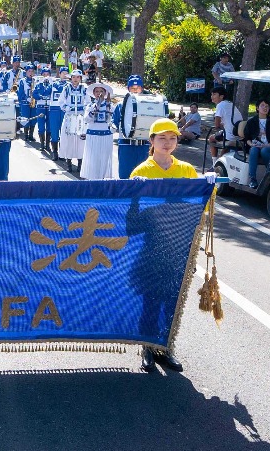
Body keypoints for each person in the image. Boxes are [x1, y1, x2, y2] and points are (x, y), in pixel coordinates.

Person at [129, 118, 204, 373]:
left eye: (172, 138)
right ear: (151, 141)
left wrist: (209, 183)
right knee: (151, 299)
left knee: (172, 301)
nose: (167, 143)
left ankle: (166, 347)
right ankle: (148, 348)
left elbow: (200, 204)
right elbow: (132, 219)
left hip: (178, 248)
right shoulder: (141, 172)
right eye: (162, 138)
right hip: (152, 246)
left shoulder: (186, 170)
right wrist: (136, 193)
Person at [113, 75, 151, 179]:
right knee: (125, 175)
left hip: (143, 145)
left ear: (142, 89)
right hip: (126, 144)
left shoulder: (147, 104)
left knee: (144, 176)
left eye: (138, 88)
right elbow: (114, 122)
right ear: (128, 88)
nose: (135, 90)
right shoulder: (121, 105)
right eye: (132, 88)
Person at [80, 82, 115, 180]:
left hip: (106, 136)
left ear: (105, 93)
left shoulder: (110, 106)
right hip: (93, 135)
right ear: (93, 93)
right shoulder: (90, 106)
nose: (99, 93)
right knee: (93, 159)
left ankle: (102, 179)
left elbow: (113, 120)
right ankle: (92, 180)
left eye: (101, 91)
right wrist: (94, 110)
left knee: (104, 158)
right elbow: (86, 119)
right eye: (96, 91)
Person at [243, 99, 270, 189]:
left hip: (268, 146)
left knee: (265, 151)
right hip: (255, 145)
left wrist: (266, 145)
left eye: (267, 106)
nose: (265, 108)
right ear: (257, 108)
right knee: (254, 150)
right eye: (262, 106)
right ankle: (252, 179)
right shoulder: (251, 121)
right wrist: (252, 144)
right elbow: (247, 138)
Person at [58, 70, 86, 173]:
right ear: (71, 78)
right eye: (74, 77)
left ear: (80, 78)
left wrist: (83, 109)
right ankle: (69, 163)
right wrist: (67, 108)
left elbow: (87, 102)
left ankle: (80, 163)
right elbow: (61, 102)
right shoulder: (66, 88)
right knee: (69, 139)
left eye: (78, 77)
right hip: (69, 117)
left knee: (80, 140)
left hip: (80, 117)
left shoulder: (84, 89)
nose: (75, 79)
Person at [208, 86, 242, 159]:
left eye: (214, 94)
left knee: (211, 138)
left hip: (230, 135)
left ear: (221, 96)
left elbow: (216, 125)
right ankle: (219, 161)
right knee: (223, 136)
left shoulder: (220, 105)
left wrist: (221, 125)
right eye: (211, 94)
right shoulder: (230, 104)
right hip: (238, 134)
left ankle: (214, 162)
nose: (212, 96)